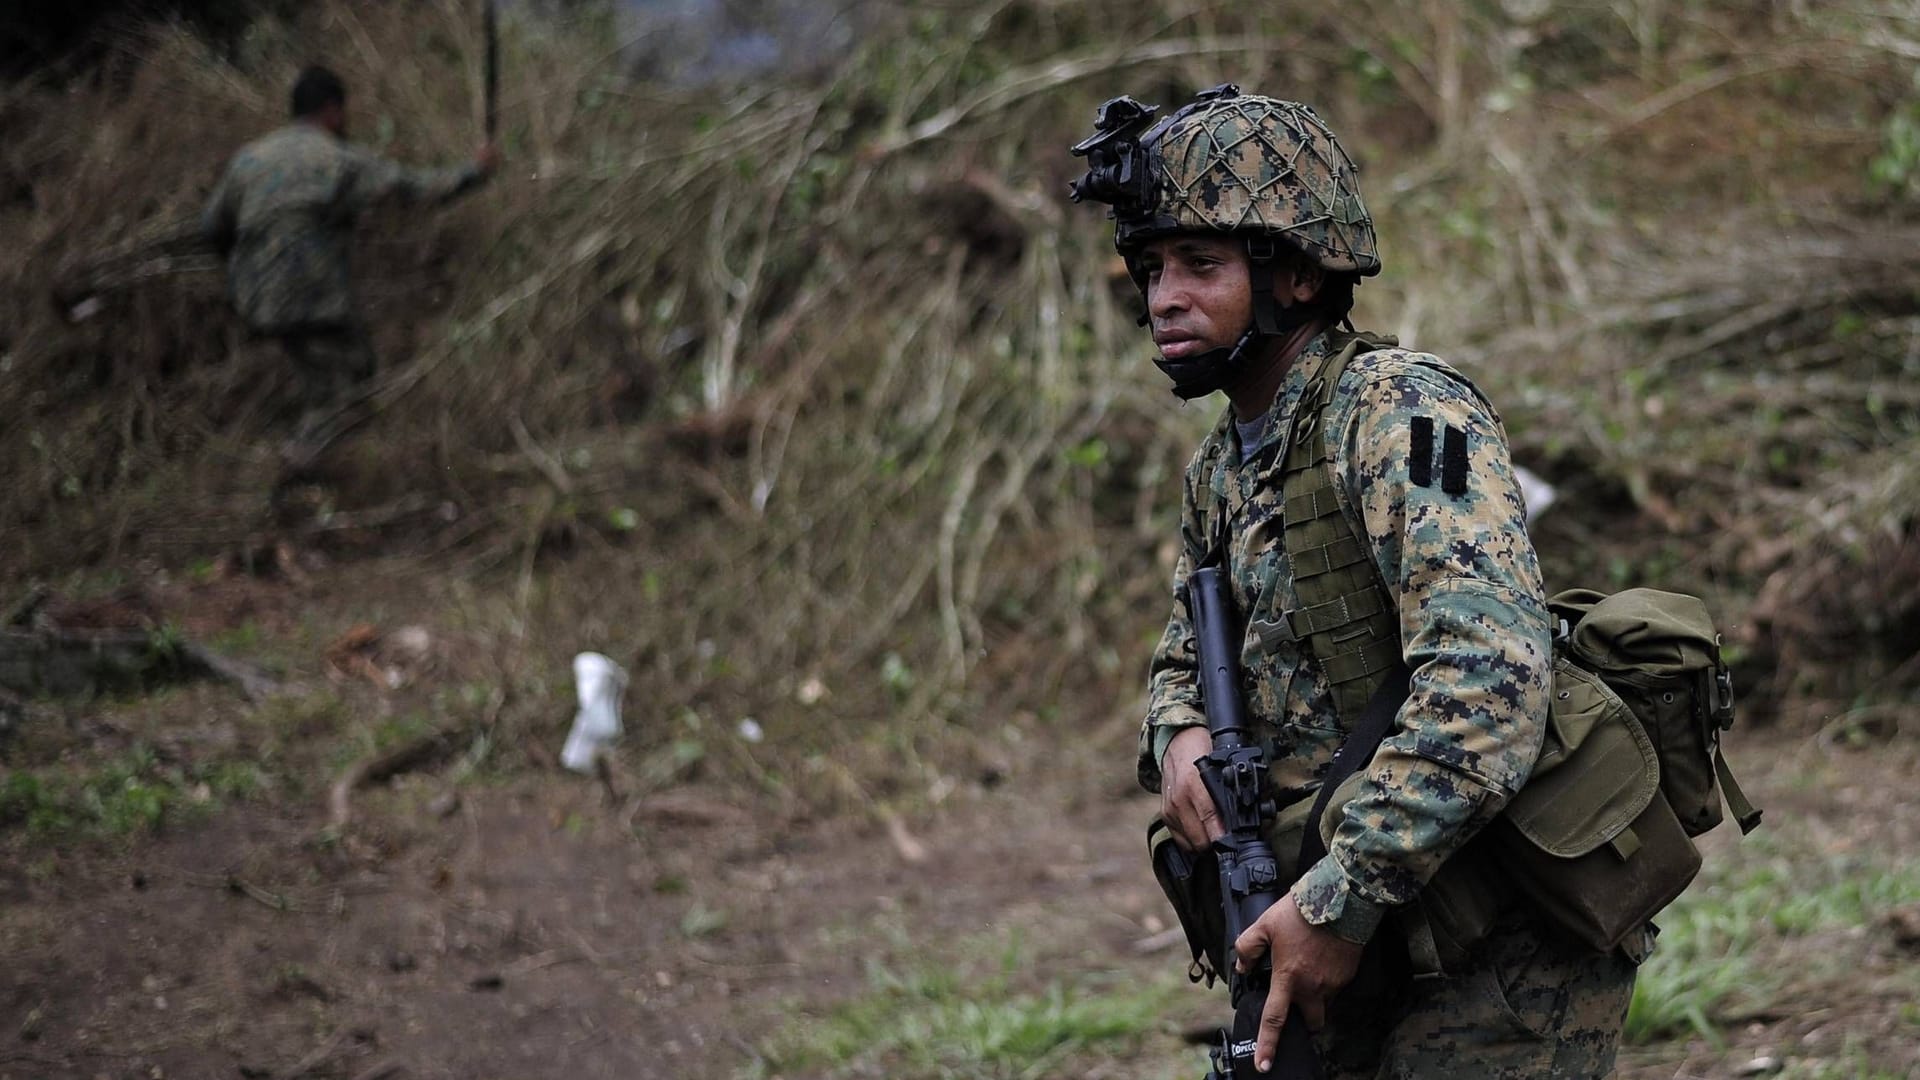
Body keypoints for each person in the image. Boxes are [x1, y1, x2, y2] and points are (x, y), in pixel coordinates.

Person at [1070, 86, 1635, 1076]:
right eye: (1150, 267)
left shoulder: (1404, 416)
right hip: (1343, 932)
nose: (1162, 296)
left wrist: (1342, 898)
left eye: (1200, 264)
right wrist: (1178, 738)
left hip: (1488, 945)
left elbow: (1486, 682)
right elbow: (1182, 650)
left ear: (1294, 275)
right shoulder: (1224, 465)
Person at [201, 64, 500, 476]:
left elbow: (211, 228)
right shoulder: (338, 159)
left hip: (253, 297)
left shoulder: (249, 159)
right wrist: (475, 172)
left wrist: (246, 273)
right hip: (308, 293)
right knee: (354, 375)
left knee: (321, 372)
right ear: (332, 110)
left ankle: (309, 465)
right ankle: (297, 466)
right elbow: (415, 190)